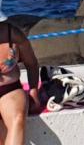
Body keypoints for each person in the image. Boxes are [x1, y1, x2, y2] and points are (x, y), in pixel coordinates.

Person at [0, 13, 42, 144]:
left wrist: (33, 90)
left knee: (18, 118)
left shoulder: (13, 33)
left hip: (10, 90)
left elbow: (32, 64)